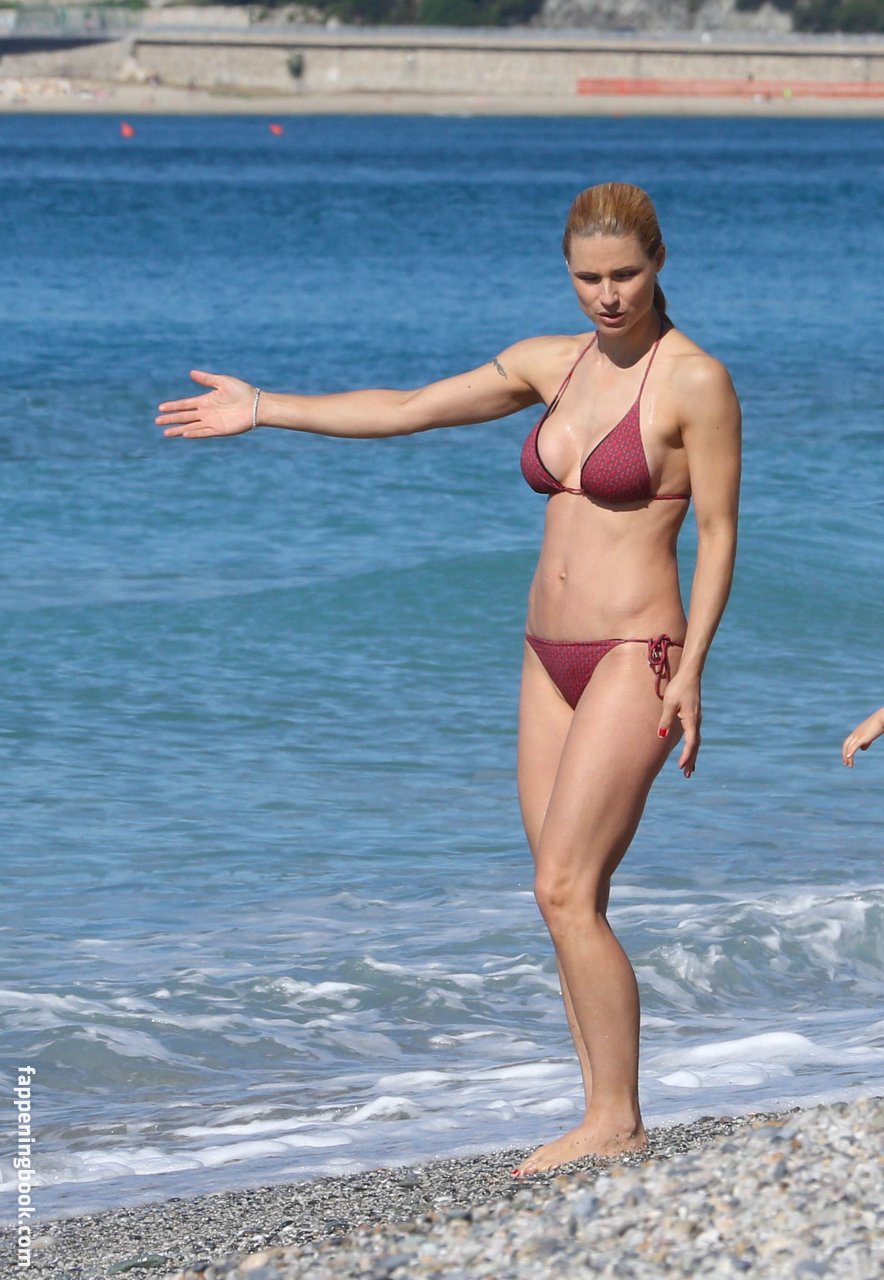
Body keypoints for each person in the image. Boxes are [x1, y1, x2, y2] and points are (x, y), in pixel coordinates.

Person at [156, 182, 741, 1176]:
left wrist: (691, 671)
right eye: (587, 277)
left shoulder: (695, 381)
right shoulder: (548, 363)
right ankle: (598, 1110)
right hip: (544, 655)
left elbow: (719, 533)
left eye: (624, 274)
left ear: (658, 264)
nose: (606, 295)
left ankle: (618, 1119)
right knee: (565, 895)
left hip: (634, 654)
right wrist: (264, 408)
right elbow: (408, 409)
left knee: (563, 886)